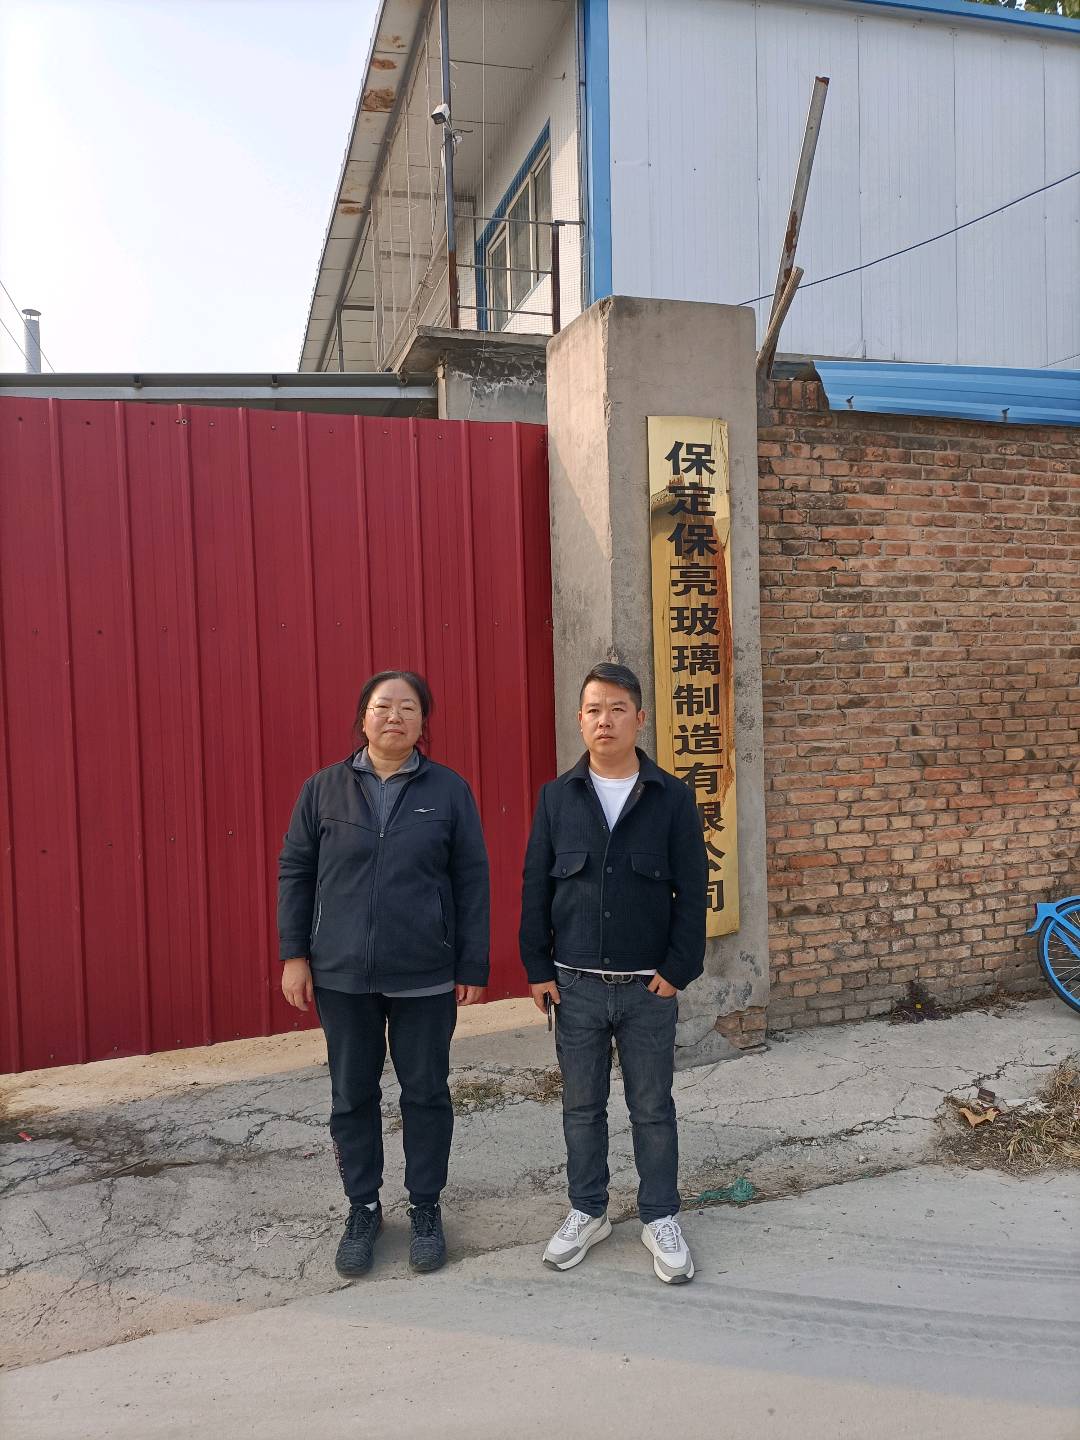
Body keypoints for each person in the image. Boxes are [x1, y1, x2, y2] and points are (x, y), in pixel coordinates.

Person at [278, 670, 489, 1279]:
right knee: (352, 1095)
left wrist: (472, 962)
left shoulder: (448, 790)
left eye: (407, 708)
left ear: (423, 722)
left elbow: (471, 879)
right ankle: (363, 1207)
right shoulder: (323, 789)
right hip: (342, 974)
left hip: (426, 973)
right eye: (382, 707)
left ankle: (425, 1207)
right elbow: (296, 871)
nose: (394, 716)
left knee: (426, 1093)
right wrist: (295, 955)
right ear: (363, 718)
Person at [519, 662, 707, 1284]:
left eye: (618, 709)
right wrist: (537, 967)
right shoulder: (557, 798)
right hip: (574, 986)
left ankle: (660, 1215)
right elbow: (535, 887)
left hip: (649, 988)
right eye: (594, 709)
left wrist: (678, 970)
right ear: (580, 720)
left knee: (652, 1106)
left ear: (640, 719)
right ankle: (588, 1210)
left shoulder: (671, 798)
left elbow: (692, 890)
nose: (605, 720)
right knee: (581, 1107)